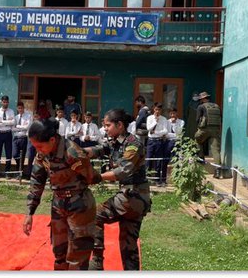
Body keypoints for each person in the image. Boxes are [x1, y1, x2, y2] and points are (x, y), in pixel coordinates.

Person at [23, 117, 97, 267]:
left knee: (78, 256)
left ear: (52, 140)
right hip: (59, 205)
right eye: (34, 146)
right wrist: (29, 212)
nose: (38, 150)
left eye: (40, 146)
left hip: (79, 205)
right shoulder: (42, 154)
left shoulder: (73, 153)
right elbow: (37, 181)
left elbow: (92, 177)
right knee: (59, 253)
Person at [90, 108, 152, 271]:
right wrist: (76, 152)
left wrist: (98, 177)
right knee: (128, 247)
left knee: (94, 214)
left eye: (108, 125)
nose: (105, 128)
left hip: (133, 198)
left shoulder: (133, 144)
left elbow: (123, 170)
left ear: (119, 125)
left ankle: (96, 263)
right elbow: (97, 150)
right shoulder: (115, 142)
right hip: (131, 198)